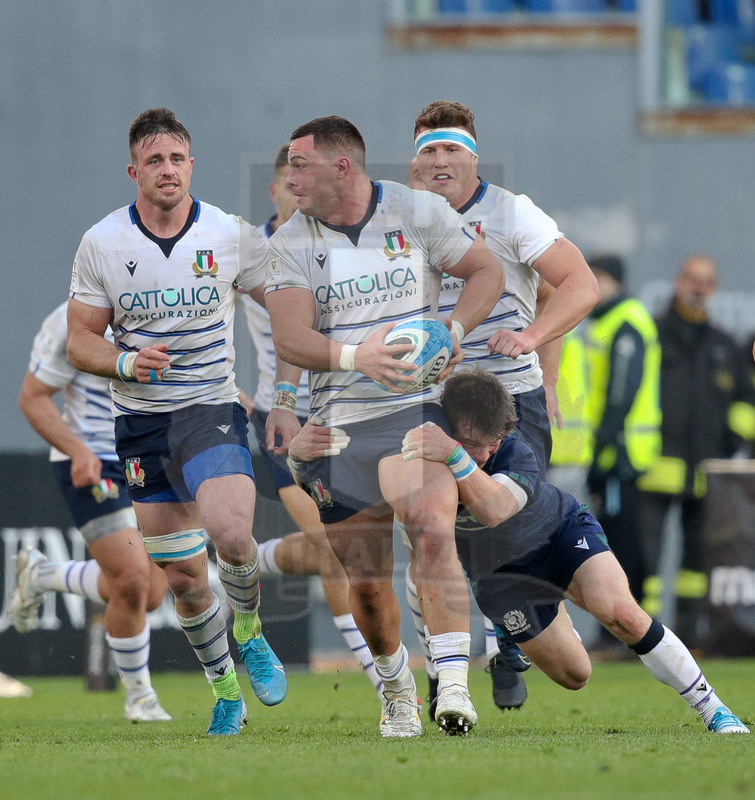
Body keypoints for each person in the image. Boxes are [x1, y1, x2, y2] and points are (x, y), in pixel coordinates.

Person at [264, 115, 505, 737]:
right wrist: (353, 358)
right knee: (367, 586)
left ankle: (451, 686)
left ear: (342, 167)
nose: (291, 178)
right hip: (339, 423)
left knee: (430, 529)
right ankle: (396, 686)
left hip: (415, 410)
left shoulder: (416, 212)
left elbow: (487, 272)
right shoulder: (291, 241)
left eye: (301, 164)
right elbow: (289, 333)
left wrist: (452, 332)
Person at [66, 107, 288, 736]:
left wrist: (297, 386)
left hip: (209, 410)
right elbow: (80, 341)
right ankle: (225, 694)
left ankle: (250, 635)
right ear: (134, 170)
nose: (167, 170)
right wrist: (128, 362)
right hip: (140, 425)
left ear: (192, 164)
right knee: (187, 579)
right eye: (154, 161)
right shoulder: (103, 243)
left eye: (177, 159)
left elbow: (286, 303)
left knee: (232, 535)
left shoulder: (229, 234)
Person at [396, 369, 748, 735]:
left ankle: (714, 709)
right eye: (470, 441)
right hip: (502, 579)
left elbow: (494, 509)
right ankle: (509, 629)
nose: (484, 452)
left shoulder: (516, 454)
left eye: (492, 441)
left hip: (559, 535)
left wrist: (456, 453)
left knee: (621, 613)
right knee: (576, 674)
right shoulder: (424, 457)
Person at [409, 100, 600, 711]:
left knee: (507, 529)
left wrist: (533, 343)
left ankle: (505, 639)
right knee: (431, 530)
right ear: (415, 160)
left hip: (510, 399)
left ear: (473, 156)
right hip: (434, 399)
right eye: (429, 150)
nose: (441, 160)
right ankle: (445, 669)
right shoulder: (397, 220)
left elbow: (579, 284)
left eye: (452, 149)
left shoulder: (512, 212)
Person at [238, 146, 382, 694]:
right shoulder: (249, 249)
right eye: (286, 181)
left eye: (303, 178)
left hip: (342, 407)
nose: (295, 189)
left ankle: (240, 563)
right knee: (329, 543)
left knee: (343, 547)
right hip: (281, 413)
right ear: (274, 190)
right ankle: (382, 682)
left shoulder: (331, 240)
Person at [15, 302, 171, 722]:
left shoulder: (171, 305)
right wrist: (77, 449)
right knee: (133, 579)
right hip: (95, 460)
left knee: (152, 594)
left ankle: (43, 575)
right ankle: (140, 696)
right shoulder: (70, 320)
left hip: (154, 460)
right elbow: (32, 397)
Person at [637, 254, 755, 646]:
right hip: (654, 467)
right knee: (646, 560)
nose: (698, 288)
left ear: (714, 289)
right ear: (678, 280)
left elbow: (745, 402)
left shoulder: (725, 345)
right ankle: (640, 635)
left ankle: (688, 634)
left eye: (706, 282)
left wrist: (731, 443)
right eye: (692, 279)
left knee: (696, 563)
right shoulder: (652, 335)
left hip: (707, 472)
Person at [584, 254, 661, 618]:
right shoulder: (607, 321)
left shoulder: (626, 321)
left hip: (623, 452)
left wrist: (601, 448)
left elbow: (620, 395)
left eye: (597, 277)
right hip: (615, 450)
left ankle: (628, 623)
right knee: (617, 540)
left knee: (623, 544)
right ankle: (620, 624)